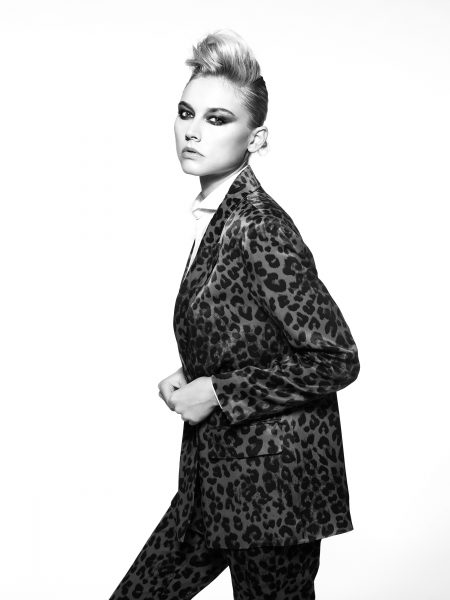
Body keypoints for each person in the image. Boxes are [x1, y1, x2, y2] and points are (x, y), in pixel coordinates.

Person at [108, 29, 360, 600]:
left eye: (218, 119)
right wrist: (193, 369)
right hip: (214, 480)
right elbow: (249, 331)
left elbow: (335, 357)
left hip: (275, 492)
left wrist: (217, 391)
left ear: (256, 137)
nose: (193, 130)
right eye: (186, 113)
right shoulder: (217, 216)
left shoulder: (257, 225)